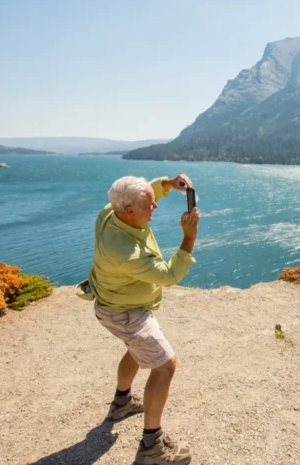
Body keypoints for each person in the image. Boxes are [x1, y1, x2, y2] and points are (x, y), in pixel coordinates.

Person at [80, 174, 200, 465]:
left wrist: (167, 184)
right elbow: (169, 275)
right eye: (150, 204)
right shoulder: (125, 251)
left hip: (113, 305)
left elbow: (146, 193)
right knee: (164, 366)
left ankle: (121, 403)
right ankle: (151, 446)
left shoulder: (112, 211)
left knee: (136, 349)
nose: (155, 206)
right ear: (131, 211)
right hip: (126, 315)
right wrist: (189, 237)